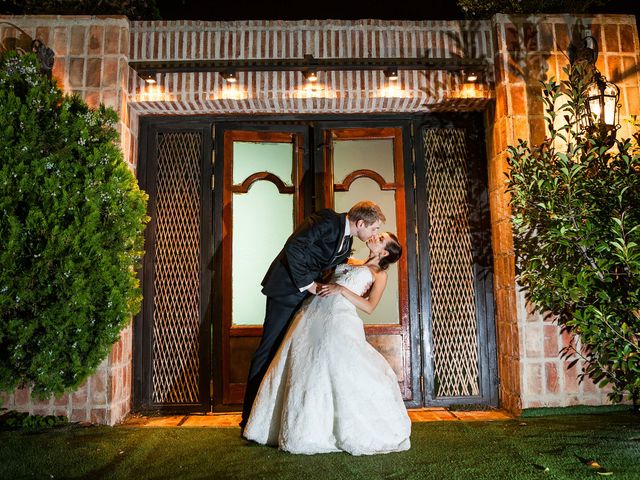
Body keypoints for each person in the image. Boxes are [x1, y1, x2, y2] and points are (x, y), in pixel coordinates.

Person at [243, 232, 411, 455]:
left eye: (380, 239)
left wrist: (342, 289)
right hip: (313, 312)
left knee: (335, 366)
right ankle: (294, 425)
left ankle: (334, 428)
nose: (373, 237)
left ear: (385, 252)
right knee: (304, 364)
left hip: (339, 317)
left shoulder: (379, 274)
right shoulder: (349, 260)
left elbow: (370, 306)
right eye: (376, 234)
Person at [240, 201, 386, 433]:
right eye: (375, 228)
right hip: (286, 291)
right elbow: (294, 248)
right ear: (360, 223)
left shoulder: (348, 240)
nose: (375, 233)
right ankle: (249, 417)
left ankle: (276, 417)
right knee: (269, 350)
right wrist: (310, 286)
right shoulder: (326, 220)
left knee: (287, 352)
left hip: (307, 301)